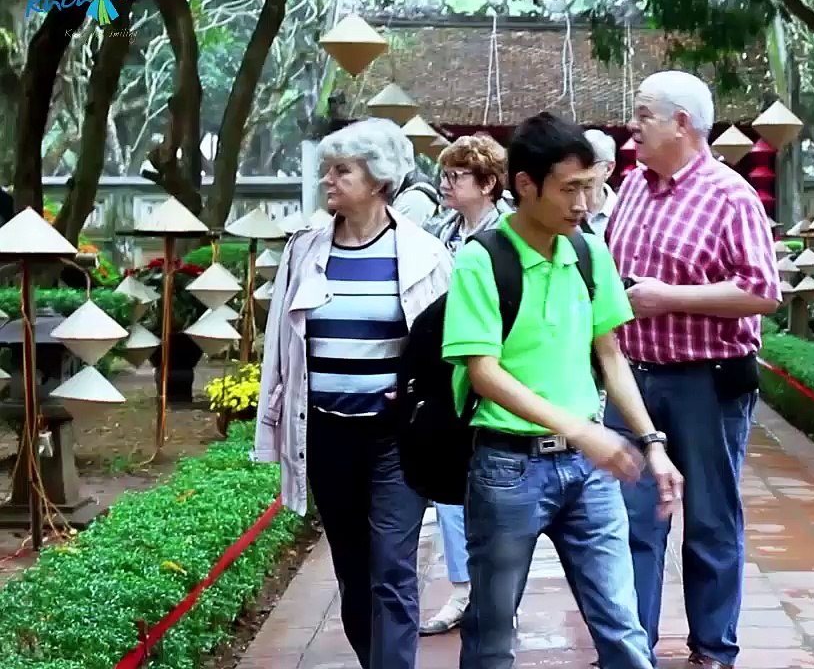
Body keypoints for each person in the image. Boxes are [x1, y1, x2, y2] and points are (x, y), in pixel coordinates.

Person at [442, 111, 682, 669]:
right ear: (526, 185)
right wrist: (580, 428)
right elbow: (484, 373)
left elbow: (610, 354)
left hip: (588, 471)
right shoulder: (483, 259)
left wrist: (652, 443)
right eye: (570, 188)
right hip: (507, 468)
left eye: (590, 188)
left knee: (623, 628)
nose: (583, 204)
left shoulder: (589, 253)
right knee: (492, 632)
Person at [252, 117, 454, 669]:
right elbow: (280, 345)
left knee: (392, 564)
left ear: (379, 178)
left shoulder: (425, 253)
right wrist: (272, 418)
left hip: (394, 438)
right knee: (353, 567)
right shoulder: (303, 250)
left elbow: (448, 346)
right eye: (328, 170)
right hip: (326, 433)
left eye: (342, 170)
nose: (329, 180)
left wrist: (422, 396)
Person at [603, 70, 782, 669]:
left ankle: (713, 647)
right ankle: (631, 647)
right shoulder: (631, 186)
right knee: (631, 519)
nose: (633, 128)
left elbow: (762, 291)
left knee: (709, 519)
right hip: (633, 378)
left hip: (709, 381)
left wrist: (670, 298)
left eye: (644, 115)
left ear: (681, 123)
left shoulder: (731, 196)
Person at [418, 132, 511, 637]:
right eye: (446, 175)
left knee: (497, 490)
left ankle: (498, 595)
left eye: (457, 176)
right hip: (446, 374)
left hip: (495, 371)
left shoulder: (510, 235)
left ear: (488, 183)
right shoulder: (438, 232)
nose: (446, 184)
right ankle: (461, 589)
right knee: (450, 487)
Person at [582, 128, 618, 234]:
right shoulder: (562, 210)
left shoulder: (624, 213)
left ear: (608, 169)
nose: (578, 171)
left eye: (588, 164)